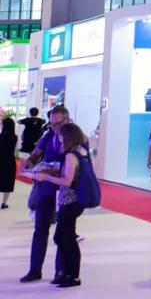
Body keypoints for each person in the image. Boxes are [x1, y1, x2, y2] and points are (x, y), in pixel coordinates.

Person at [28, 123, 90, 288]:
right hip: (71, 201)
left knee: (65, 239)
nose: (60, 140)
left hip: (69, 201)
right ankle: (67, 274)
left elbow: (67, 181)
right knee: (63, 237)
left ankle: (71, 276)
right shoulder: (80, 151)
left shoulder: (71, 155)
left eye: (62, 138)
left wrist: (46, 177)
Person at [21, 105, 72, 284]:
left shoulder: (74, 136)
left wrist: (56, 170)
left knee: (62, 233)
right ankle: (35, 270)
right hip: (45, 189)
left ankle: (61, 271)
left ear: (67, 120)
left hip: (65, 191)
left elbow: (77, 163)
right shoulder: (49, 134)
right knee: (40, 229)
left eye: (58, 124)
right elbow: (37, 152)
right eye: (52, 124)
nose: (55, 127)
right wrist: (29, 163)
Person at [0, 116, 16, 208]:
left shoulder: (0, 136)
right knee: (8, 181)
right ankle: (4, 203)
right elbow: (15, 149)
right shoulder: (15, 137)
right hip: (10, 161)